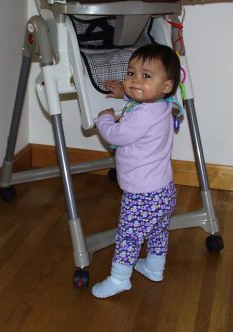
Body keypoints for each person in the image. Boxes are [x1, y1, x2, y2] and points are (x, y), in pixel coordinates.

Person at [92, 43, 181, 298]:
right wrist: (125, 94)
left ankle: (120, 278)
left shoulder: (142, 116)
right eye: (131, 73)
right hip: (164, 191)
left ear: (166, 86)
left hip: (142, 194)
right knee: (157, 230)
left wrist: (105, 118)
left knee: (128, 236)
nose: (134, 81)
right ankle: (154, 268)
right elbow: (143, 100)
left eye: (145, 76)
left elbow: (116, 135)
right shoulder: (164, 106)